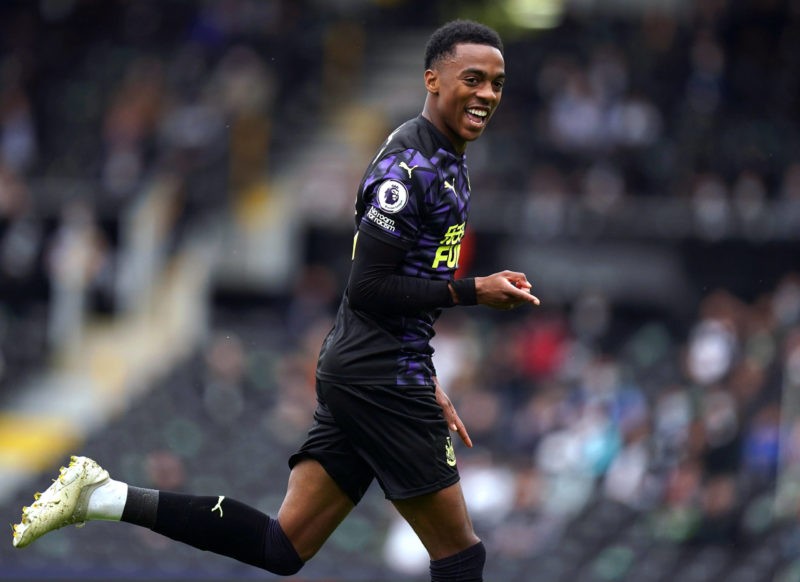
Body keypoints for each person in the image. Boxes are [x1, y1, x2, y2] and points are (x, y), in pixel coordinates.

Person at [12, 19, 540, 582]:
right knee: (462, 558)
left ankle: (102, 496)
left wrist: (424, 372)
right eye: (474, 78)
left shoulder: (450, 161)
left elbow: (398, 290)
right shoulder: (408, 169)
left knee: (283, 547)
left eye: (498, 83)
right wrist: (472, 291)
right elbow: (367, 285)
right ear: (433, 79)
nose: (487, 94)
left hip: (381, 369)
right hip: (380, 377)